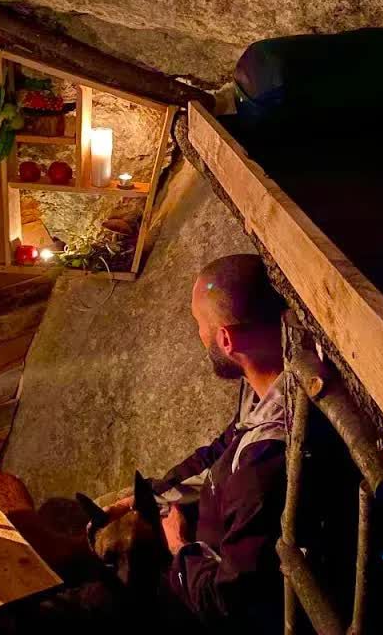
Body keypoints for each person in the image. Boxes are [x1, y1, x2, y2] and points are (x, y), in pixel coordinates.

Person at [101, 254, 290, 631]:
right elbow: (222, 446)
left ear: (225, 338)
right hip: (207, 526)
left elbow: (229, 604)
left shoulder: (262, 465)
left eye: (199, 325)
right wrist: (153, 495)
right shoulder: (268, 385)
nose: (198, 335)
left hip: (204, 586)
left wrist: (180, 548)